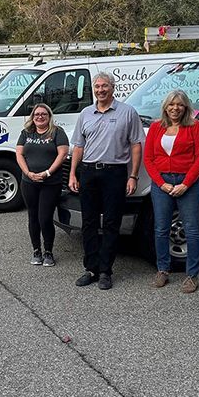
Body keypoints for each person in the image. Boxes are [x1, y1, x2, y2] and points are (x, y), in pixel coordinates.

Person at [68, 72, 144, 290]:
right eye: (97, 86)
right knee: (89, 223)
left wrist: (133, 175)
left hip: (115, 173)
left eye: (104, 86)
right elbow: (79, 147)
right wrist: (73, 173)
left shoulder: (127, 113)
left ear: (113, 88)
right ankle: (91, 268)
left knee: (111, 223)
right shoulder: (85, 114)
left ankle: (105, 271)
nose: (100, 90)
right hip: (89, 172)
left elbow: (136, 145)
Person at [144, 89, 199, 294]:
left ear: (186, 107)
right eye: (171, 104)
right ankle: (163, 270)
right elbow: (149, 159)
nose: (175, 108)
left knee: (191, 230)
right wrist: (162, 184)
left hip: (188, 183)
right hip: (162, 183)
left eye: (180, 104)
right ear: (165, 107)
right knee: (161, 229)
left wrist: (186, 184)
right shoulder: (156, 128)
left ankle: (192, 275)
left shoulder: (195, 127)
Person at [15, 104, 69, 266]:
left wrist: (47, 173)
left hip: (50, 183)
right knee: (33, 217)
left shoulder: (57, 132)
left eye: (43, 114)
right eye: (36, 114)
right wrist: (28, 173)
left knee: (45, 217)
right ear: (32, 116)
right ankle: (36, 250)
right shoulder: (26, 133)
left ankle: (48, 252)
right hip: (28, 182)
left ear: (49, 116)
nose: (40, 116)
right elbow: (19, 154)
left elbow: (63, 153)